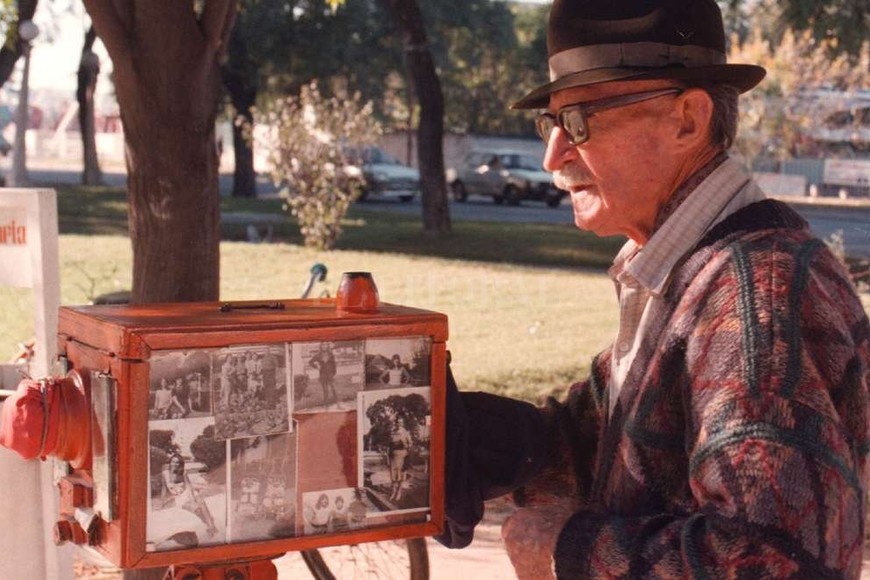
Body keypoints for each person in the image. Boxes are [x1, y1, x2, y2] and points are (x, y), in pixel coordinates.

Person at [437, 1, 870, 578]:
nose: (553, 156)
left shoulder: (752, 296)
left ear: (687, 120)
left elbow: (772, 559)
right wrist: (453, 439)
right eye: (552, 124)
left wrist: (569, 552)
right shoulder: (695, 267)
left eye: (580, 121)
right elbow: (614, 432)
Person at [387, 417, 413, 503]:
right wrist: (388, 457)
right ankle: (393, 492)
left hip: (403, 455)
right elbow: (389, 445)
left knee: (401, 475)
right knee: (394, 475)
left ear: (403, 423)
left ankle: (399, 492)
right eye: (398, 422)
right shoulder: (393, 432)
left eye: (401, 422)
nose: (399, 424)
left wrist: (405, 445)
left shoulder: (406, 433)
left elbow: (410, 444)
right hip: (393, 456)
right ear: (396, 423)